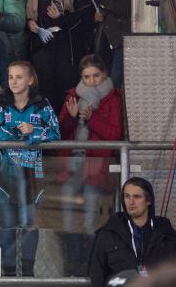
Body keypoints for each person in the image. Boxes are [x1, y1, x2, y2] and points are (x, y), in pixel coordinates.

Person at [0, 60, 60, 277]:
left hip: (32, 176)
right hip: (5, 175)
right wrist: (21, 135)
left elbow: (56, 133)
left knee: (29, 224)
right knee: (7, 224)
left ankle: (28, 271)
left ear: (30, 80)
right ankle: (8, 272)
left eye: (19, 77)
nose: (14, 81)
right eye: (10, 77)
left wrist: (33, 130)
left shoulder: (42, 104)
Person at [58, 54, 124, 276]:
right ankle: (72, 266)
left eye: (96, 75)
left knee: (89, 221)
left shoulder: (113, 99)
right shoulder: (72, 96)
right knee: (67, 220)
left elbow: (114, 135)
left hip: (96, 165)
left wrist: (92, 117)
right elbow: (60, 132)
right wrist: (71, 117)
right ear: (81, 78)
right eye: (87, 77)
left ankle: (88, 269)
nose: (92, 81)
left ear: (104, 74)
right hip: (72, 164)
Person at [26, 0, 94, 114]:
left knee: (68, 97)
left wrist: (62, 18)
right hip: (43, 47)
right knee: (46, 97)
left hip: (69, 49)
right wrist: (31, 22)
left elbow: (87, 18)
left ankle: (68, 140)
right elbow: (31, 11)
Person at [89, 177, 176, 287]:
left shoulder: (165, 233)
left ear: (148, 200)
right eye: (127, 196)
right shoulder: (110, 232)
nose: (131, 202)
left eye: (137, 197)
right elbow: (97, 272)